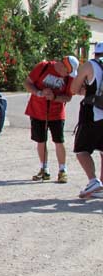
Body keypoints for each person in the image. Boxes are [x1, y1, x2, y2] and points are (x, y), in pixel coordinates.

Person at [24, 55, 78, 183]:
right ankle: (44, 169)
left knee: (59, 141)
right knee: (41, 140)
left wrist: (54, 97)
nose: (68, 74)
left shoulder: (69, 77)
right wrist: (40, 93)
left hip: (56, 114)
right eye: (67, 71)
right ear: (62, 66)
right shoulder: (43, 66)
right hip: (37, 111)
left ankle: (62, 170)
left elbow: (68, 97)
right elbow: (27, 83)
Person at [71, 41, 103, 199]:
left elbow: (73, 89)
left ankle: (93, 180)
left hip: (92, 112)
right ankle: (101, 185)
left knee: (81, 150)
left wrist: (85, 90)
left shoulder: (90, 65)